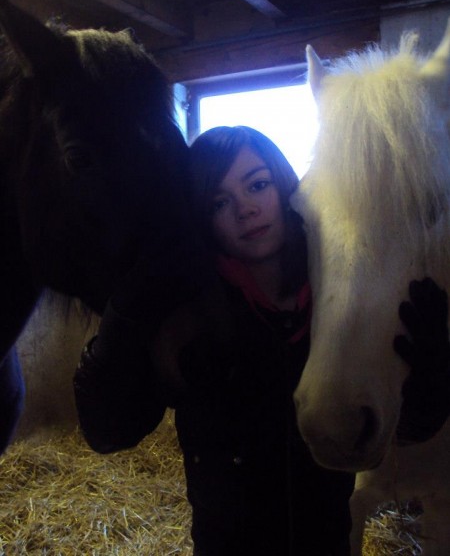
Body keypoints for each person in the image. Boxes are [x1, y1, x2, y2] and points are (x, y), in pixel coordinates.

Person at [73, 126, 450, 556]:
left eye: (257, 185)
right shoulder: (190, 316)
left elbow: (407, 431)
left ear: (283, 184)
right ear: (203, 216)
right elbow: (107, 433)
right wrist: (123, 318)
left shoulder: (338, 305)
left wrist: (431, 374)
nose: (246, 209)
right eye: (220, 202)